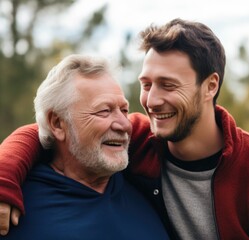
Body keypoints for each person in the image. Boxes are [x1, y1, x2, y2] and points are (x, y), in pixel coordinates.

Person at [0, 19, 249, 239]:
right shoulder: (138, 140)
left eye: (167, 85)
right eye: (146, 84)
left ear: (210, 86)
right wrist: (3, 181)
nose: (151, 101)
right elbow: (43, 132)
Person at [0, 54, 169, 239]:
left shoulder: (149, 188)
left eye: (124, 110)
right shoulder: (14, 205)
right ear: (57, 124)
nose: (124, 125)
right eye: (104, 111)